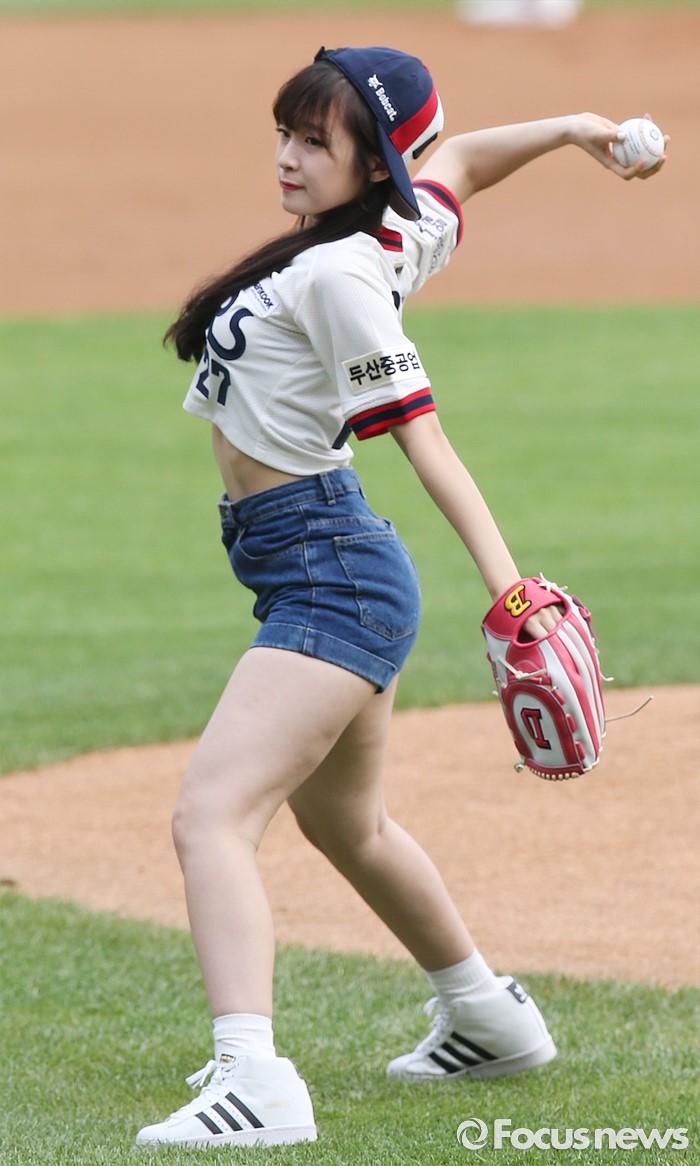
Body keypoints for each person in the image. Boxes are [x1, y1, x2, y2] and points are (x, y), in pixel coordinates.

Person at [135, 46, 665, 1149]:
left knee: (210, 815)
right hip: (319, 562)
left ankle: (255, 1081)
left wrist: (511, 590)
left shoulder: (341, 275)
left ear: (373, 160)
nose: (287, 157)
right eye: (283, 133)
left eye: (314, 140)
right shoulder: (385, 233)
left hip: (330, 574)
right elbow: (458, 163)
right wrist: (575, 126)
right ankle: (487, 1016)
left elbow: (425, 439)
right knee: (348, 823)